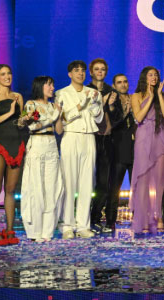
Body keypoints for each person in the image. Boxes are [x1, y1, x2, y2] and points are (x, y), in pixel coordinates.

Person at [56, 60, 104, 239]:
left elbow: (99, 119)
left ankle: (83, 225)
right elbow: (61, 119)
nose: (80, 73)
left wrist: (95, 104)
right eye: (76, 71)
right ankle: (67, 225)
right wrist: (80, 106)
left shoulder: (93, 92)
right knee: (69, 182)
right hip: (70, 136)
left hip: (88, 137)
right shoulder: (62, 93)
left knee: (87, 182)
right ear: (70, 74)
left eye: (83, 71)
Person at [0, 64, 30, 245]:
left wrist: (24, 120)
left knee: (11, 190)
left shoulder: (18, 96)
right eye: (3, 74)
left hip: (15, 143)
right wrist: (9, 112)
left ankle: (10, 230)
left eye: (9, 73)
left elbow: (20, 123)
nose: (7, 76)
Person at [129, 66, 164, 235]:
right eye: (150, 75)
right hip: (143, 137)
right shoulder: (136, 96)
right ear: (144, 77)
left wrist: (158, 95)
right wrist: (150, 97)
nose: (153, 77)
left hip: (160, 136)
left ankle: (161, 218)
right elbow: (139, 117)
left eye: (155, 75)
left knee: (161, 179)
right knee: (143, 180)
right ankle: (144, 219)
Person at [21, 76, 64, 242]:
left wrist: (59, 114)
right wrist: (53, 116)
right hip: (37, 144)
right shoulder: (30, 104)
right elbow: (33, 125)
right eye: (49, 85)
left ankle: (47, 231)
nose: (52, 88)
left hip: (51, 145)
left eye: (53, 85)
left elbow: (59, 131)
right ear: (40, 86)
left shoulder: (53, 106)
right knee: (35, 187)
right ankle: (34, 231)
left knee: (51, 188)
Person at [104, 73, 136, 232]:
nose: (123, 84)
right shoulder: (112, 101)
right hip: (118, 150)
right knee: (114, 188)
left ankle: (139, 219)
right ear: (114, 85)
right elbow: (112, 124)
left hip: (135, 150)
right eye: (119, 82)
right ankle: (110, 221)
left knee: (137, 188)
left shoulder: (134, 98)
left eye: (125, 81)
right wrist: (125, 111)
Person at [87, 58, 115, 232]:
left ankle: (95, 218)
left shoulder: (111, 91)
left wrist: (110, 107)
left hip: (106, 140)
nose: (99, 72)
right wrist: (101, 103)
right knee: (85, 181)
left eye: (102, 69)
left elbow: (117, 116)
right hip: (89, 138)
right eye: (96, 69)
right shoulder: (86, 90)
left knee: (103, 183)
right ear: (91, 72)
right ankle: (80, 219)